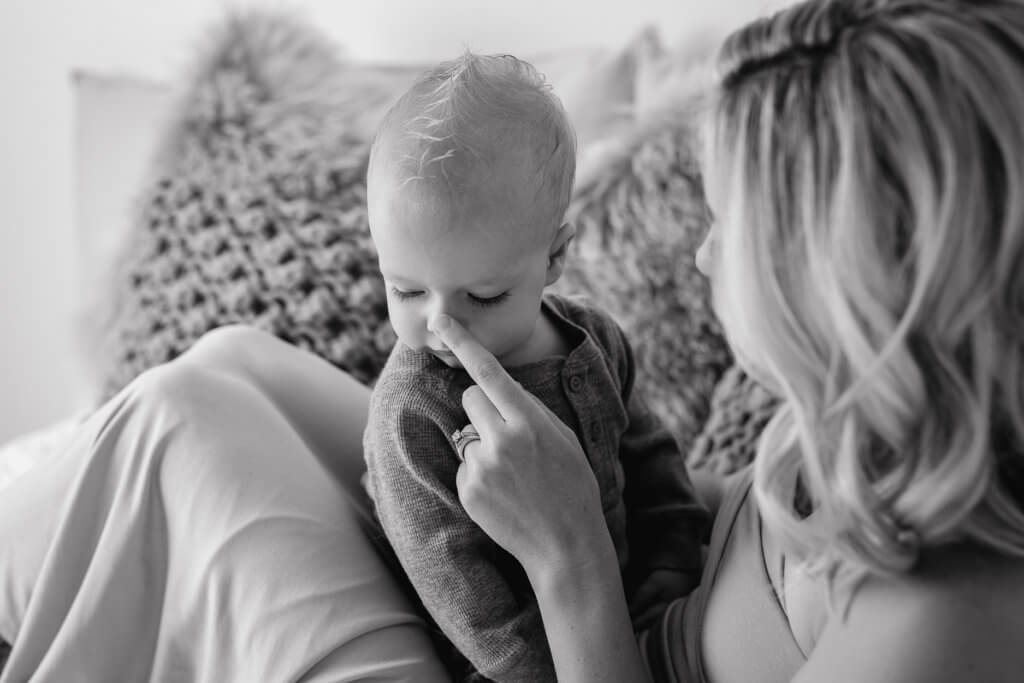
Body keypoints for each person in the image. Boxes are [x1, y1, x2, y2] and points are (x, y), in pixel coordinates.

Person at [2, 0, 1024, 681]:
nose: (706, 261)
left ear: (840, 272)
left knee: (189, 438)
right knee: (220, 374)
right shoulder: (850, 429)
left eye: (732, 231)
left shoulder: (938, 628)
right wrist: (578, 463)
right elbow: (720, 541)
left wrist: (567, 542)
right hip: (561, 610)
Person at [361, 52, 708, 682]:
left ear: (554, 258)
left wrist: (676, 556)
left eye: (484, 296)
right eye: (406, 291)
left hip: (626, 620)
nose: (442, 324)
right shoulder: (412, 412)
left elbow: (650, 452)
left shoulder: (593, 337)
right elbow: (451, 577)